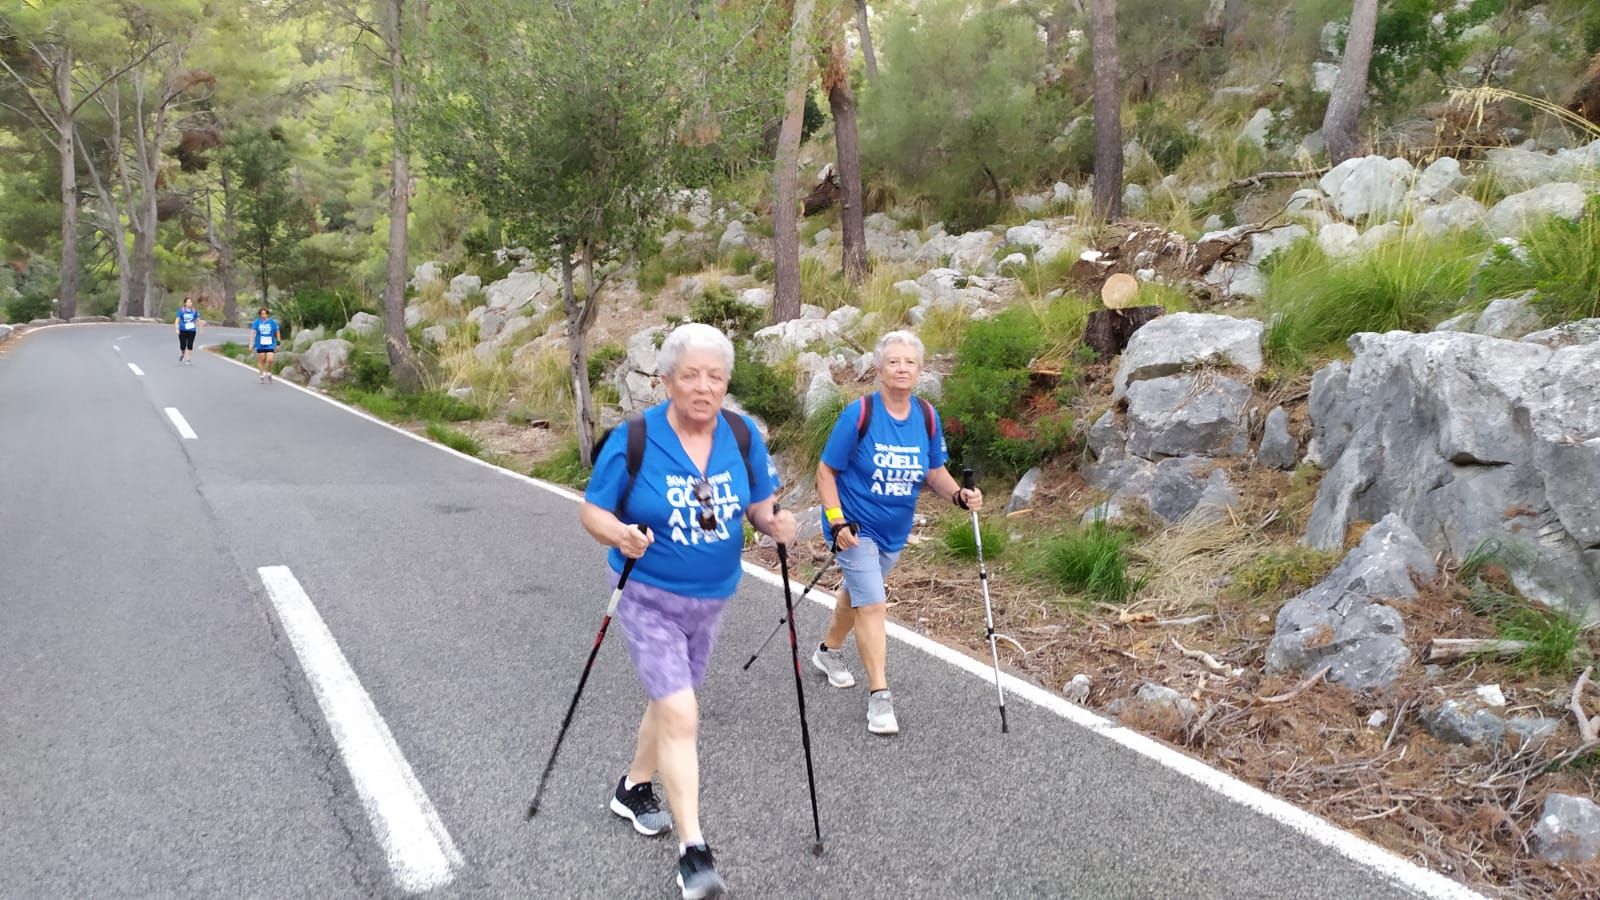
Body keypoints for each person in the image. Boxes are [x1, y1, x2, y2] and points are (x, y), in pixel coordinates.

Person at [579, 322, 796, 900]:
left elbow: (758, 505)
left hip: (714, 595)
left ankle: (632, 787)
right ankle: (693, 853)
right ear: (666, 379)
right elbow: (593, 511)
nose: (704, 386)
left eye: (716, 376)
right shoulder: (635, 439)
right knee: (681, 712)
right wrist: (620, 533)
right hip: (647, 593)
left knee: (669, 701)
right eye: (692, 375)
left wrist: (775, 521)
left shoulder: (743, 434)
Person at [811, 330, 983, 736]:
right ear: (879, 368)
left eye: (909, 362)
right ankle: (880, 698)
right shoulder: (860, 413)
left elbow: (933, 472)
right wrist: (836, 520)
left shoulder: (926, 416)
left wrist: (958, 496)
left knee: (858, 593)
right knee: (873, 602)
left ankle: (827, 652)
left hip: (894, 531)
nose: (902, 368)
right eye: (893, 362)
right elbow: (826, 471)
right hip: (852, 526)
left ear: (920, 370)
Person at [250, 307, 281, 383]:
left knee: (270, 360)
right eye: (262, 313)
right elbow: (253, 333)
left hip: (270, 343)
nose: (263, 315)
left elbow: (277, 333)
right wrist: (251, 343)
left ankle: (269, 372)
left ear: (268, 314)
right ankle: (262, 375)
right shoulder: (257, 322)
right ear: (260, 314)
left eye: (265, 313)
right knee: (262, 359)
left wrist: (278, 343)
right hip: (260, 343)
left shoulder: (272, 322)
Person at [174, 297, 202, 365]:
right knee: (182, 345)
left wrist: (201, 329)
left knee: (190, 344)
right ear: (185, 303)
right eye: (188, 302)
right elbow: (177, 321)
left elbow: (198, 320)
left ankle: (188, 359)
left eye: (191, 302)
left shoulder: (195, 311)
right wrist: (177, 329)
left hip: (192, 330)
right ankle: (183, 353)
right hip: (182, 329)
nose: (190, 303)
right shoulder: (181, 311)